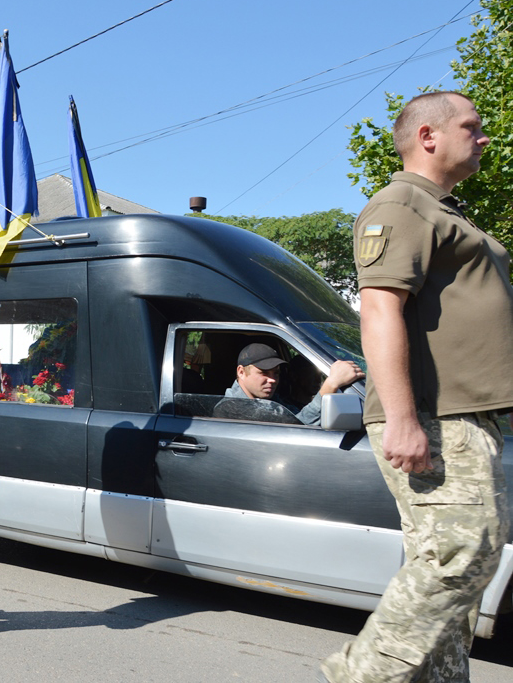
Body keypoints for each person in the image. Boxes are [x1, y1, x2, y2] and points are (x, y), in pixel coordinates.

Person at [320, 92, 512, 682]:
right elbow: (379, 310)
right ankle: (357, 676)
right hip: (436, 415)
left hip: (466, 416)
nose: (484, 138)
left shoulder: (444, 211)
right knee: (463, 556)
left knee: (452, 582)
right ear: (428, 135)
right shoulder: (402, 204)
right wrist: (402, 417)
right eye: (472, 127)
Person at [215, 343, 362, 425]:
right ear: (241, 372)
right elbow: (298, 426)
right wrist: (331, 383)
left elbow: (294, 415)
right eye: (264, 373)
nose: (272, 380)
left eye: (276, 373)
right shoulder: (232, 408)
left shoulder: (272, 400)